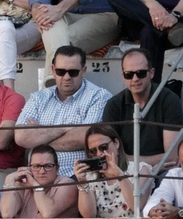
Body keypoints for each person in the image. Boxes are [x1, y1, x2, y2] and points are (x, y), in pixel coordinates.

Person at [15, 45, 113, 175]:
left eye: (73, 72)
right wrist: (66, 128)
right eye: (61, 71)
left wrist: (40, 136)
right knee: (10, 188)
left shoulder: (98, 96)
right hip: (37, 174)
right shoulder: (39, 97)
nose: (66, 77)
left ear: (83, 70)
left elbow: (87, 137)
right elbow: (21, 137)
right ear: (53, 70)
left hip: (78, 175)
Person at [101, 47, 183, 163]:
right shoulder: (114, 105)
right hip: (125, 171)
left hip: (162, 173)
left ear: (152, 73)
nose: (135, 79)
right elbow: (110, 155)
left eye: (141, 73)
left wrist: (129, 160)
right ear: (123, 76)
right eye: (129, 74)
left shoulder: (169, 100)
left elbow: (172, 157)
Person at [72, 121, 148, 216]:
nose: (99, 154)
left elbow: (136, 206)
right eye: (92, 151)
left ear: (116, 143)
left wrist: (119, 175)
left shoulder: (140, 169)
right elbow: (88, 215)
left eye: (103, 147)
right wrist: (82, 184)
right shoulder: (90, 177)